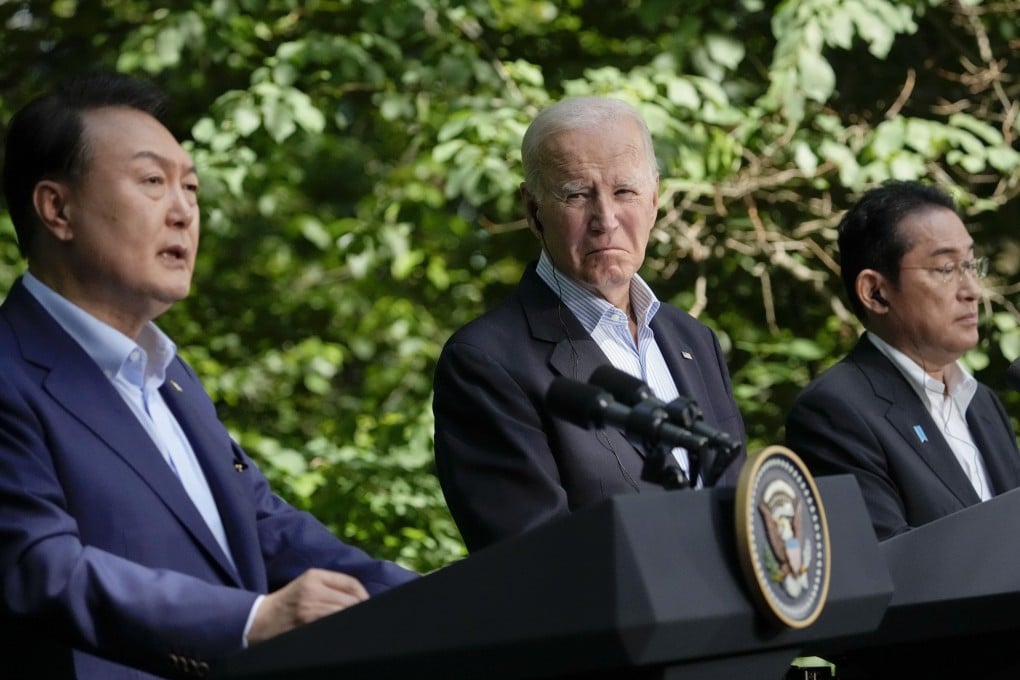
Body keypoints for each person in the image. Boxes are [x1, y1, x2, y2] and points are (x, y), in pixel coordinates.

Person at [0, 71, 417, 680]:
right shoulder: (11, 371)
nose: (184, 212)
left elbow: (267, 527)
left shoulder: (170, 377)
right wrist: (249, 621)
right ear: (57, 209)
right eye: (152, 182)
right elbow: (42, 568)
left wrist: (440, 597)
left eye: (190, 188)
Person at [432, 96, 747, 552]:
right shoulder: (487, 362)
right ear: (534, 210)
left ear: (655, 198)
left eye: (624, 192)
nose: (606, 220)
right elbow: (534, 558)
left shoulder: (693, 339)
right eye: (577, 194)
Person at [785, 180, 1020, 540]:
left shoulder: (981, 402)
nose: (972, 291)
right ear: (875, 293)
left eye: (972, 266)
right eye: (946, 269)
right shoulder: (835, 411)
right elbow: (893, 568)